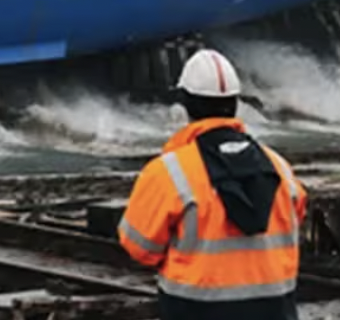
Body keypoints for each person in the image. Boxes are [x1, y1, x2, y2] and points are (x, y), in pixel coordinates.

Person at [116, 48, 308, 319]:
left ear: (185, 104)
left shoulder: (168, 172)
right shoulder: (279, 167)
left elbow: (139, 247)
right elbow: (296, 220)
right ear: (236, 102)